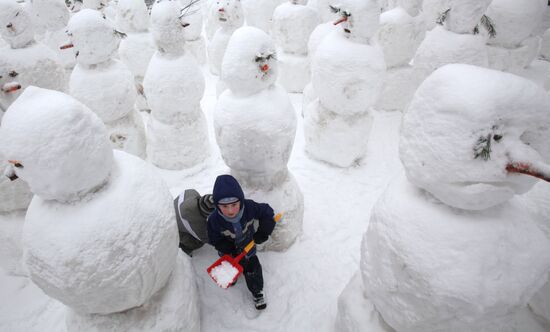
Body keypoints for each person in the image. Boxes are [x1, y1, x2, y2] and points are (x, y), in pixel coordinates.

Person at [207, 174, 277, 310]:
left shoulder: (249, 208)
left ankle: (257, 291)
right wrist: (223, 245)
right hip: (228, 252)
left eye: (234, 204)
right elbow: (213, 238)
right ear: (217, 205)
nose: (230, 210)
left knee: (252, 268)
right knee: (230, 267)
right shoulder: (214, 220)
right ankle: (231, 276)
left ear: (241, 200)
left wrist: (264, 231)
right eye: (224, 206)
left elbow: (267, 212)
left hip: (248, 246)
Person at [174, 189, 215, 256]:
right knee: (198, 243)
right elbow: (208, 239)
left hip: (171, 211)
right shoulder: (197, 226)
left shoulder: (192, 192)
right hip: (174, 230)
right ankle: (182, 248)